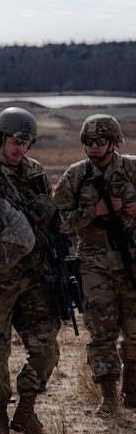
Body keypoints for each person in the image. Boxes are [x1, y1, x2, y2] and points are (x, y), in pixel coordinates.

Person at [0, 107, 61, 434]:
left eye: (25, 142)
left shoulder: (34, 172)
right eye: (14, 141)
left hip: (35, 278)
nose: (19, 148)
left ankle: (25, 411)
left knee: (46, 349)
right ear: (0, 137)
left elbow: (48, 221)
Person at [53, 114, 136, 415]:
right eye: (88, 142)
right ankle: (109, 396)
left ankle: (132, 388)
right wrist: (94, 211)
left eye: (101, 142)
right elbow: (58, 221)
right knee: (102, 332)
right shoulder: (75, 177)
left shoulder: (131, 168)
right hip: (94, 265)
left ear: (114, 143)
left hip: (132, 263)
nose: (94, 148)